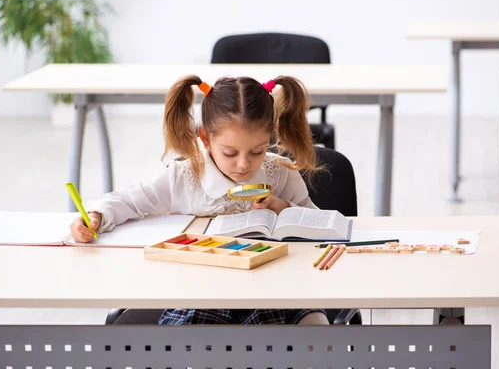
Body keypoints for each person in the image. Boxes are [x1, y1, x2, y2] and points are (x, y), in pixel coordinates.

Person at [69, 74, 329, 325]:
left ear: (269, 136)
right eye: (230, 152)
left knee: (312, 322)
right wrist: (96, 216)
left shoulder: (280, 173)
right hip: (202, 291)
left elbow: (322, 225)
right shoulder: (185, 177)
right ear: (205, 138)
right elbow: (128, 200)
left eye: (257, 151)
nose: (243, 164)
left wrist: (283, 207)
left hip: (272, 288)